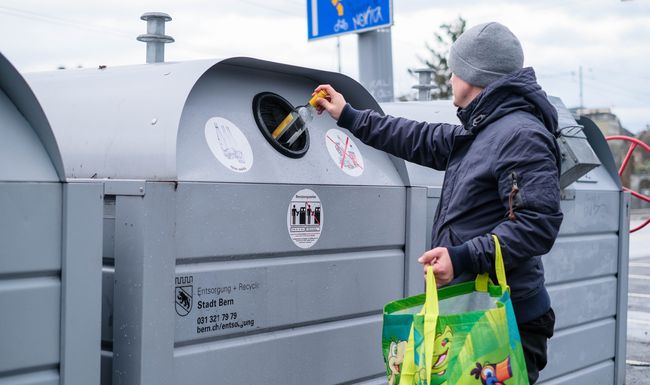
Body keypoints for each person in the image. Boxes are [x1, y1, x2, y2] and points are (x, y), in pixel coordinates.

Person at [314, 22, 562, 385]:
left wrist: (461, 256)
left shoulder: (519, 134)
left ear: (477, 75)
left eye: (456, 70)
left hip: (506, 320)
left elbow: (535, 226)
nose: (450, 78)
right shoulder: (484, 130)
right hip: (475, 310)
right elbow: (419, 138)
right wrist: (348, 116)